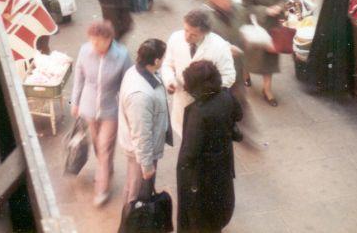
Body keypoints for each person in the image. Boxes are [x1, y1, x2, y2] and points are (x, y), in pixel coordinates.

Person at [71, 21, 132, 207]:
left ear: (109, 40)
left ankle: (102, 189)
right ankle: (106, 170)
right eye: (92, 41)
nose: (94, 46)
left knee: (104, 148)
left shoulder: (122, 55)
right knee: (99, 147)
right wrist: (75, 102)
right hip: (88, 108)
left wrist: (127, 110)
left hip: (110, 109)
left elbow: (128, 82)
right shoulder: (84, 51)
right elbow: (79, 78)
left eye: (98, 42)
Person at [177, 60, 242, 233]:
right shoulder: (226, 96)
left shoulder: (198, 112)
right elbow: (238, 114)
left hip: (203, 172)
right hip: (223, 163)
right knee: (218, 209)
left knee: (202, 216)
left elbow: (190, 152)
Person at [161, 10, 235, 136]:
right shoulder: (175, 38)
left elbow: (229, 77)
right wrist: (170, 81)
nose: (186, 37)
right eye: (185, 30)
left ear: (205, 33)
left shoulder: (219, 47)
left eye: (193, 34)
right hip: (182, 101)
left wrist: (204, 91)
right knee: (184, 135)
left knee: (201, 142)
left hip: (206, 106)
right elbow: (167, 64)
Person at [117, 38, 172, 207]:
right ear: (156, 61)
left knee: (138, 189)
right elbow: (141, 133)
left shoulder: (137, 71)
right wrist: (147, 165)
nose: (164, 60)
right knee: (136, 192)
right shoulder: (140, 95)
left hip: (142, 149)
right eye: (163, 57)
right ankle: (130, 225)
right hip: (140, 153)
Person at [206, 0, 259, 143]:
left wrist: (248, 38)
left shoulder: (238, 9)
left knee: (240, 99)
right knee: (223, 103)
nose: (226, 0)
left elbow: (246, 26)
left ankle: (246, 130)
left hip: (237, 67)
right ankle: (227, 129)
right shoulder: (207, 19)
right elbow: (206, 45)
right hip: (219, 71)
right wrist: (227, 49)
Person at [242, 0, 287, 106]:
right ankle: (245, 74)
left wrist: (280, 6)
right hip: (256, 26)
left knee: (269, 59)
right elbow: (246, 6)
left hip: (272, 27)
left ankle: (267, 90)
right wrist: (265, 11)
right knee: (250, 55)